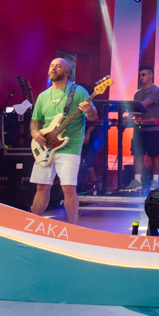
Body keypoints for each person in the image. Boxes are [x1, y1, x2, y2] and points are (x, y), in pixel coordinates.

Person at [29, 57, 98, 224]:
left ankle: (72, 228)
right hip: (45, 145)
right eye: (51, 65)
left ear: (67, 72)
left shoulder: (78, 91)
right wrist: (34, 132)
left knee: (68, 188)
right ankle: (31, 225)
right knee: (41, 187)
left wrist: (90, 110)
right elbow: (35, 121)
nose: (53, 68)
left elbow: (92, 116)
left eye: (58, 66)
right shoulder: (43, 96)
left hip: (70, 147)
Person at [126, 65, 159, 191]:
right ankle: (137, 180)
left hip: (152, 128)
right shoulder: (137, 93)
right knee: (137, 154)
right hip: (139, 129)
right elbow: (134, 111)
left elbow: (144, 104)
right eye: (140, 75)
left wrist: (129, 108)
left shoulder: (155, 90)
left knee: (154, 154)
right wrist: (128, 116)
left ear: (150, 75)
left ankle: (156, 181)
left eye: (143, 74)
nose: (141, 77)